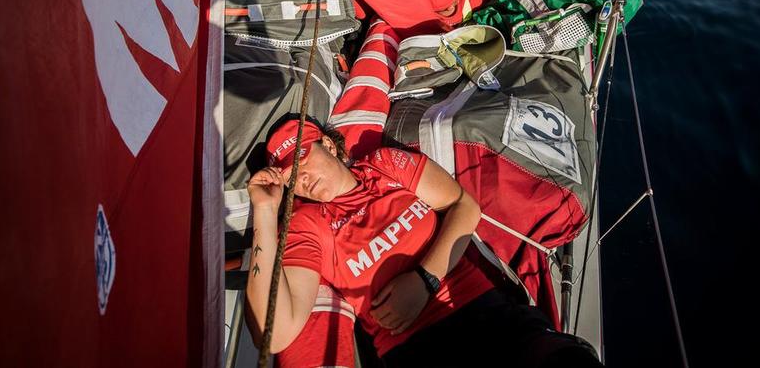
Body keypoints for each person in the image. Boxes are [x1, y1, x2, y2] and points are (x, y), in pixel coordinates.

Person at [245, 119, 603, 367]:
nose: (301, 177)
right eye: (290, 175)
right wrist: (264, 211)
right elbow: (274, 335)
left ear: (327, 145)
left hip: (484, 309)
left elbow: (464, 205)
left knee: (568, 361)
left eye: (303, 159)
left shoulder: (384, 165)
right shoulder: (308, 224)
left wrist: (424, 281)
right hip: (419, 348)